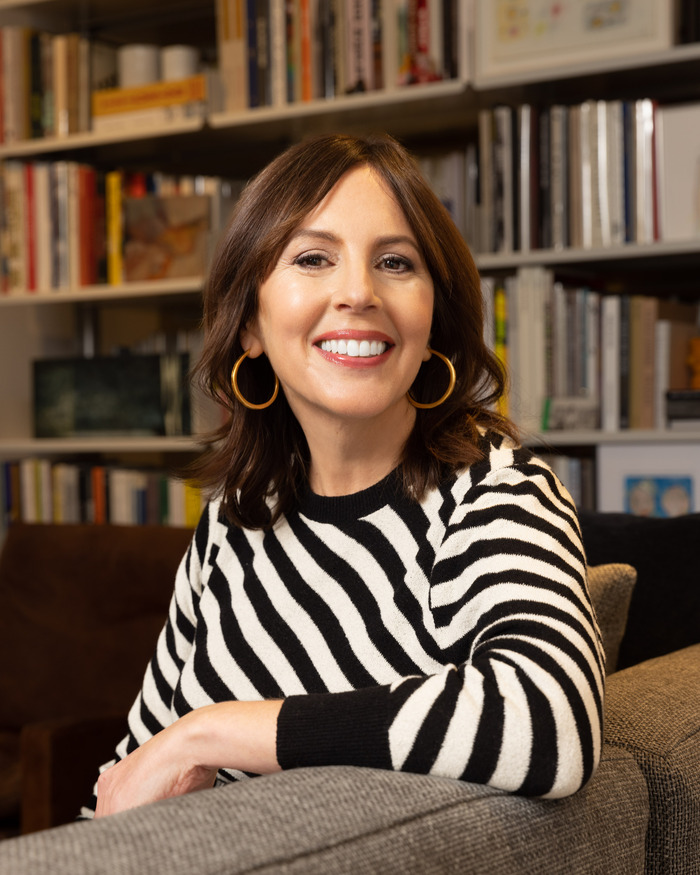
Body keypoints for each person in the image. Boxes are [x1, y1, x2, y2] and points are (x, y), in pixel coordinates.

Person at [85, 133, 604, 819]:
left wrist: (214, 733)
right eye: (312, 258)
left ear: (433, 321)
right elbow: (130, 780)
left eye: (395, 262)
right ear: (250, 326)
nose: (359, 292)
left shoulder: (497, 493)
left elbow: (552, 723)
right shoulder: (235, 518)